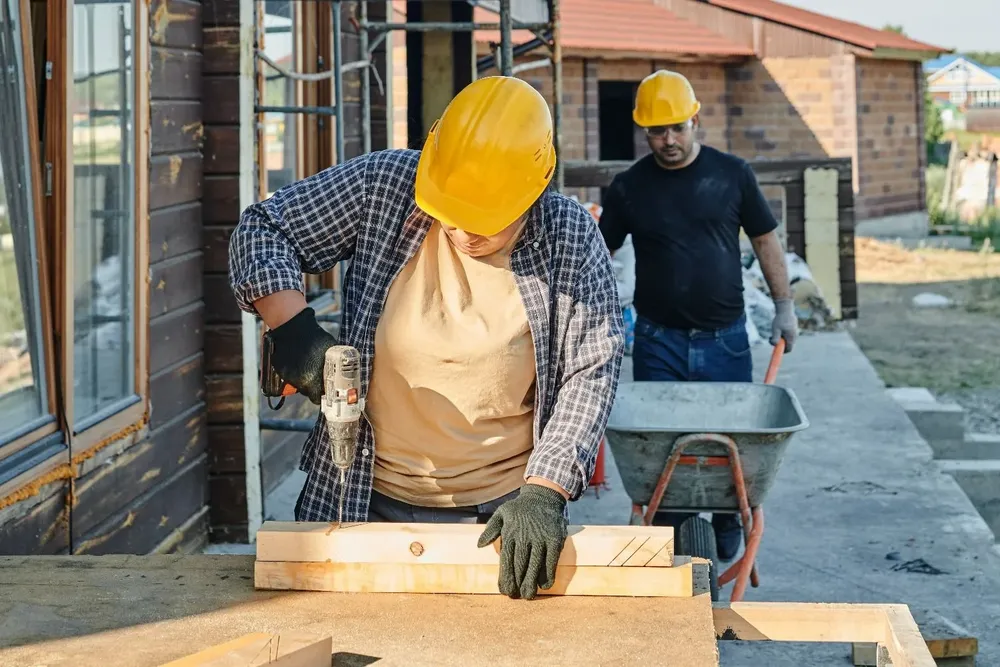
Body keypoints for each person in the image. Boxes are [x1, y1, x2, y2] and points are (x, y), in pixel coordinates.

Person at [229, 76, 625, 601]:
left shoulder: (568, 234)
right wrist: (292, 327)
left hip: (501, 513)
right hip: (357, 492)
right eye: (451, 215)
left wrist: (545, 489)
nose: (463, 232)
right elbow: (264, 228)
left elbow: (591, 367)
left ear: (534, 189)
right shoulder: (385, 186)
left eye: (484, 221)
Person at [597, 69, 796, 561]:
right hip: (657, 342)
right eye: (657, 131)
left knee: (730, 447)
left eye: (677, 128)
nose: (668, 140)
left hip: (723, 340)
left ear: (695, 121)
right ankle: (676, 538)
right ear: (644, 132)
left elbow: (765, 240)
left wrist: (784, 305)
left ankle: (727, 517)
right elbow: (599, 255)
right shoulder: (629, 188)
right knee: (663, 452)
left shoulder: (732, 175)